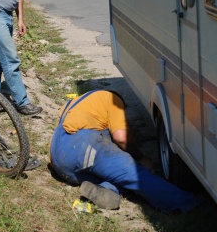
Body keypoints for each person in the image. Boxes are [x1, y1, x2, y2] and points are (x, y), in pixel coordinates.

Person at [49, 90, 203, 212]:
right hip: (82, 145)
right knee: (135, 174)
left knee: (117, 175)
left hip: (59, 162)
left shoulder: (76, 103)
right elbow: (121, 138)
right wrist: (141, 158)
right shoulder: (112, 99)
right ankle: (185, 202)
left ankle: (105, 190)